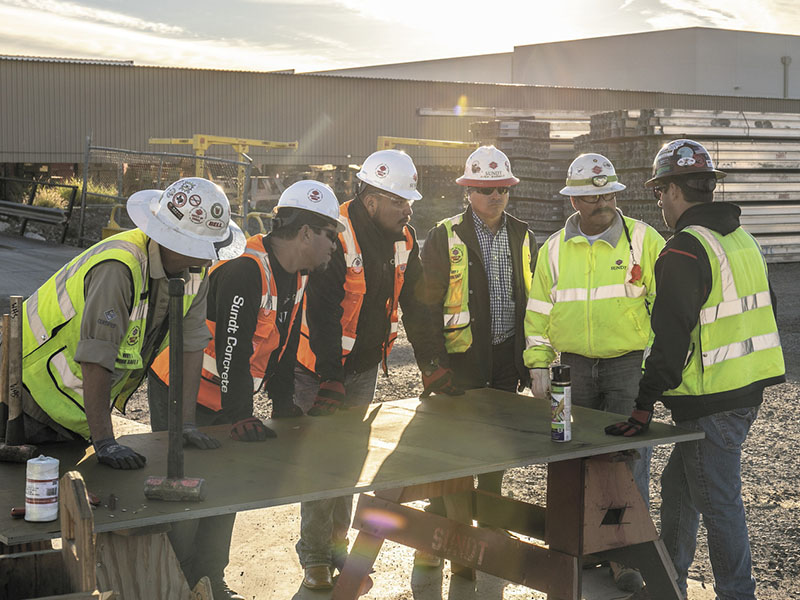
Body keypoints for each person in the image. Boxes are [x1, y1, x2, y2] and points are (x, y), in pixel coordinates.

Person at [148, 180, 345, 599]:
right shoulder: (245, 268)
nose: (336, 246)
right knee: (187, 490)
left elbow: (286, 343)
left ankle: (211, 581)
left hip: (224, 400)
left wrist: (284, 403)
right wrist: (241, 414)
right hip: (183, 394)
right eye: (332, 235)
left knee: (226, 490)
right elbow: (232, 349)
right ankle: (179, 586)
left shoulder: (296, 274)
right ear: (306, 233)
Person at [606, 139, 785, 600]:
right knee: (680, 489)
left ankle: (736, 593)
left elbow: (669, 342)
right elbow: (768, 308)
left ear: (671, 192)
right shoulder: (741, 239)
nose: (659, 204)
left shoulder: (684, 250)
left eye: (659, 194)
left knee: (719, 503)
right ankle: (670, 584)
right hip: (744, 392)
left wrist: (643, 404)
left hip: (710, 402)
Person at [293, 149, 455, 590]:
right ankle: (314, 557)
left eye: (409, 202)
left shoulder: (403, 237)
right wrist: (329, 377)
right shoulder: (336, 234)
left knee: (346, 465)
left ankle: (336, 547)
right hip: (317, 370)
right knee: (322, 464)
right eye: (400, 200)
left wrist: (433, 366)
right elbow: (322, 312)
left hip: (362, 368)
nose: (408, 208)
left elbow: (418, 305)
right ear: (370, 201)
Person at [19, 177, 244, 468]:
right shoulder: (119, 267)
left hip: (72, 414)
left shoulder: (196, 273)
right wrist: (105, 442)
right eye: (206, 246)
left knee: (64, 501)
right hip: (26, 398)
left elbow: (191, 347)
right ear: (179, 239)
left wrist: (187, 424)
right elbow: (96, 356)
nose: (211, 255)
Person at [524, 153, 665, 592]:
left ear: (616, 193)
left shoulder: (644, 241)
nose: (600, 202)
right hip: (570, 367)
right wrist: (538, 366)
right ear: (574, 201)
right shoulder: (552, 250)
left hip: (627, 366)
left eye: (606, 193)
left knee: (626, 462)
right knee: (570, 456)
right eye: (590, 195)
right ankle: (577, 550)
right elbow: (538, 313)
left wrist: (650, 366)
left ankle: (625, 556)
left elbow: (666, 309)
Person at [416, 145, 536, 566]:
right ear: (468, 191)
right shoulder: (445, 235)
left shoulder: (523, 234)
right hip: (460, 358)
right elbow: (425, 304)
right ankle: (441, 527)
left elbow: (532, 296)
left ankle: (487, 518)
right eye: (486, 189)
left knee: (495, 446)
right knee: (451, 449)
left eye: (502, 188)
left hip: (506, 356)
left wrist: (528, 357)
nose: (495, 196)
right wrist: (433, 365)